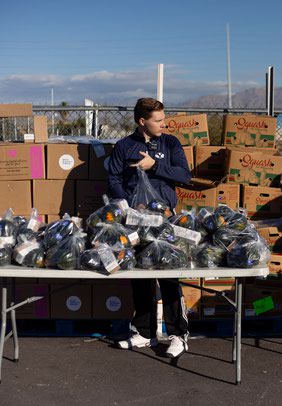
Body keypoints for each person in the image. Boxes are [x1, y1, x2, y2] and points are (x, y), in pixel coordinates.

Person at [107, 97, 192, 358]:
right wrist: (127, 205)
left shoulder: (170, 143)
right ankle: (145, 333)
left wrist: (155, 165)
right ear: (142, 121)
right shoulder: (124, 146)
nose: (163, 124)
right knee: (140, 275)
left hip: (165, 219)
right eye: (158, 120)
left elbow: (184, 177)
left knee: (168, 275)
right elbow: (113, 178)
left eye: (164, 119)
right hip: (135, 220)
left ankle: (178, 335)